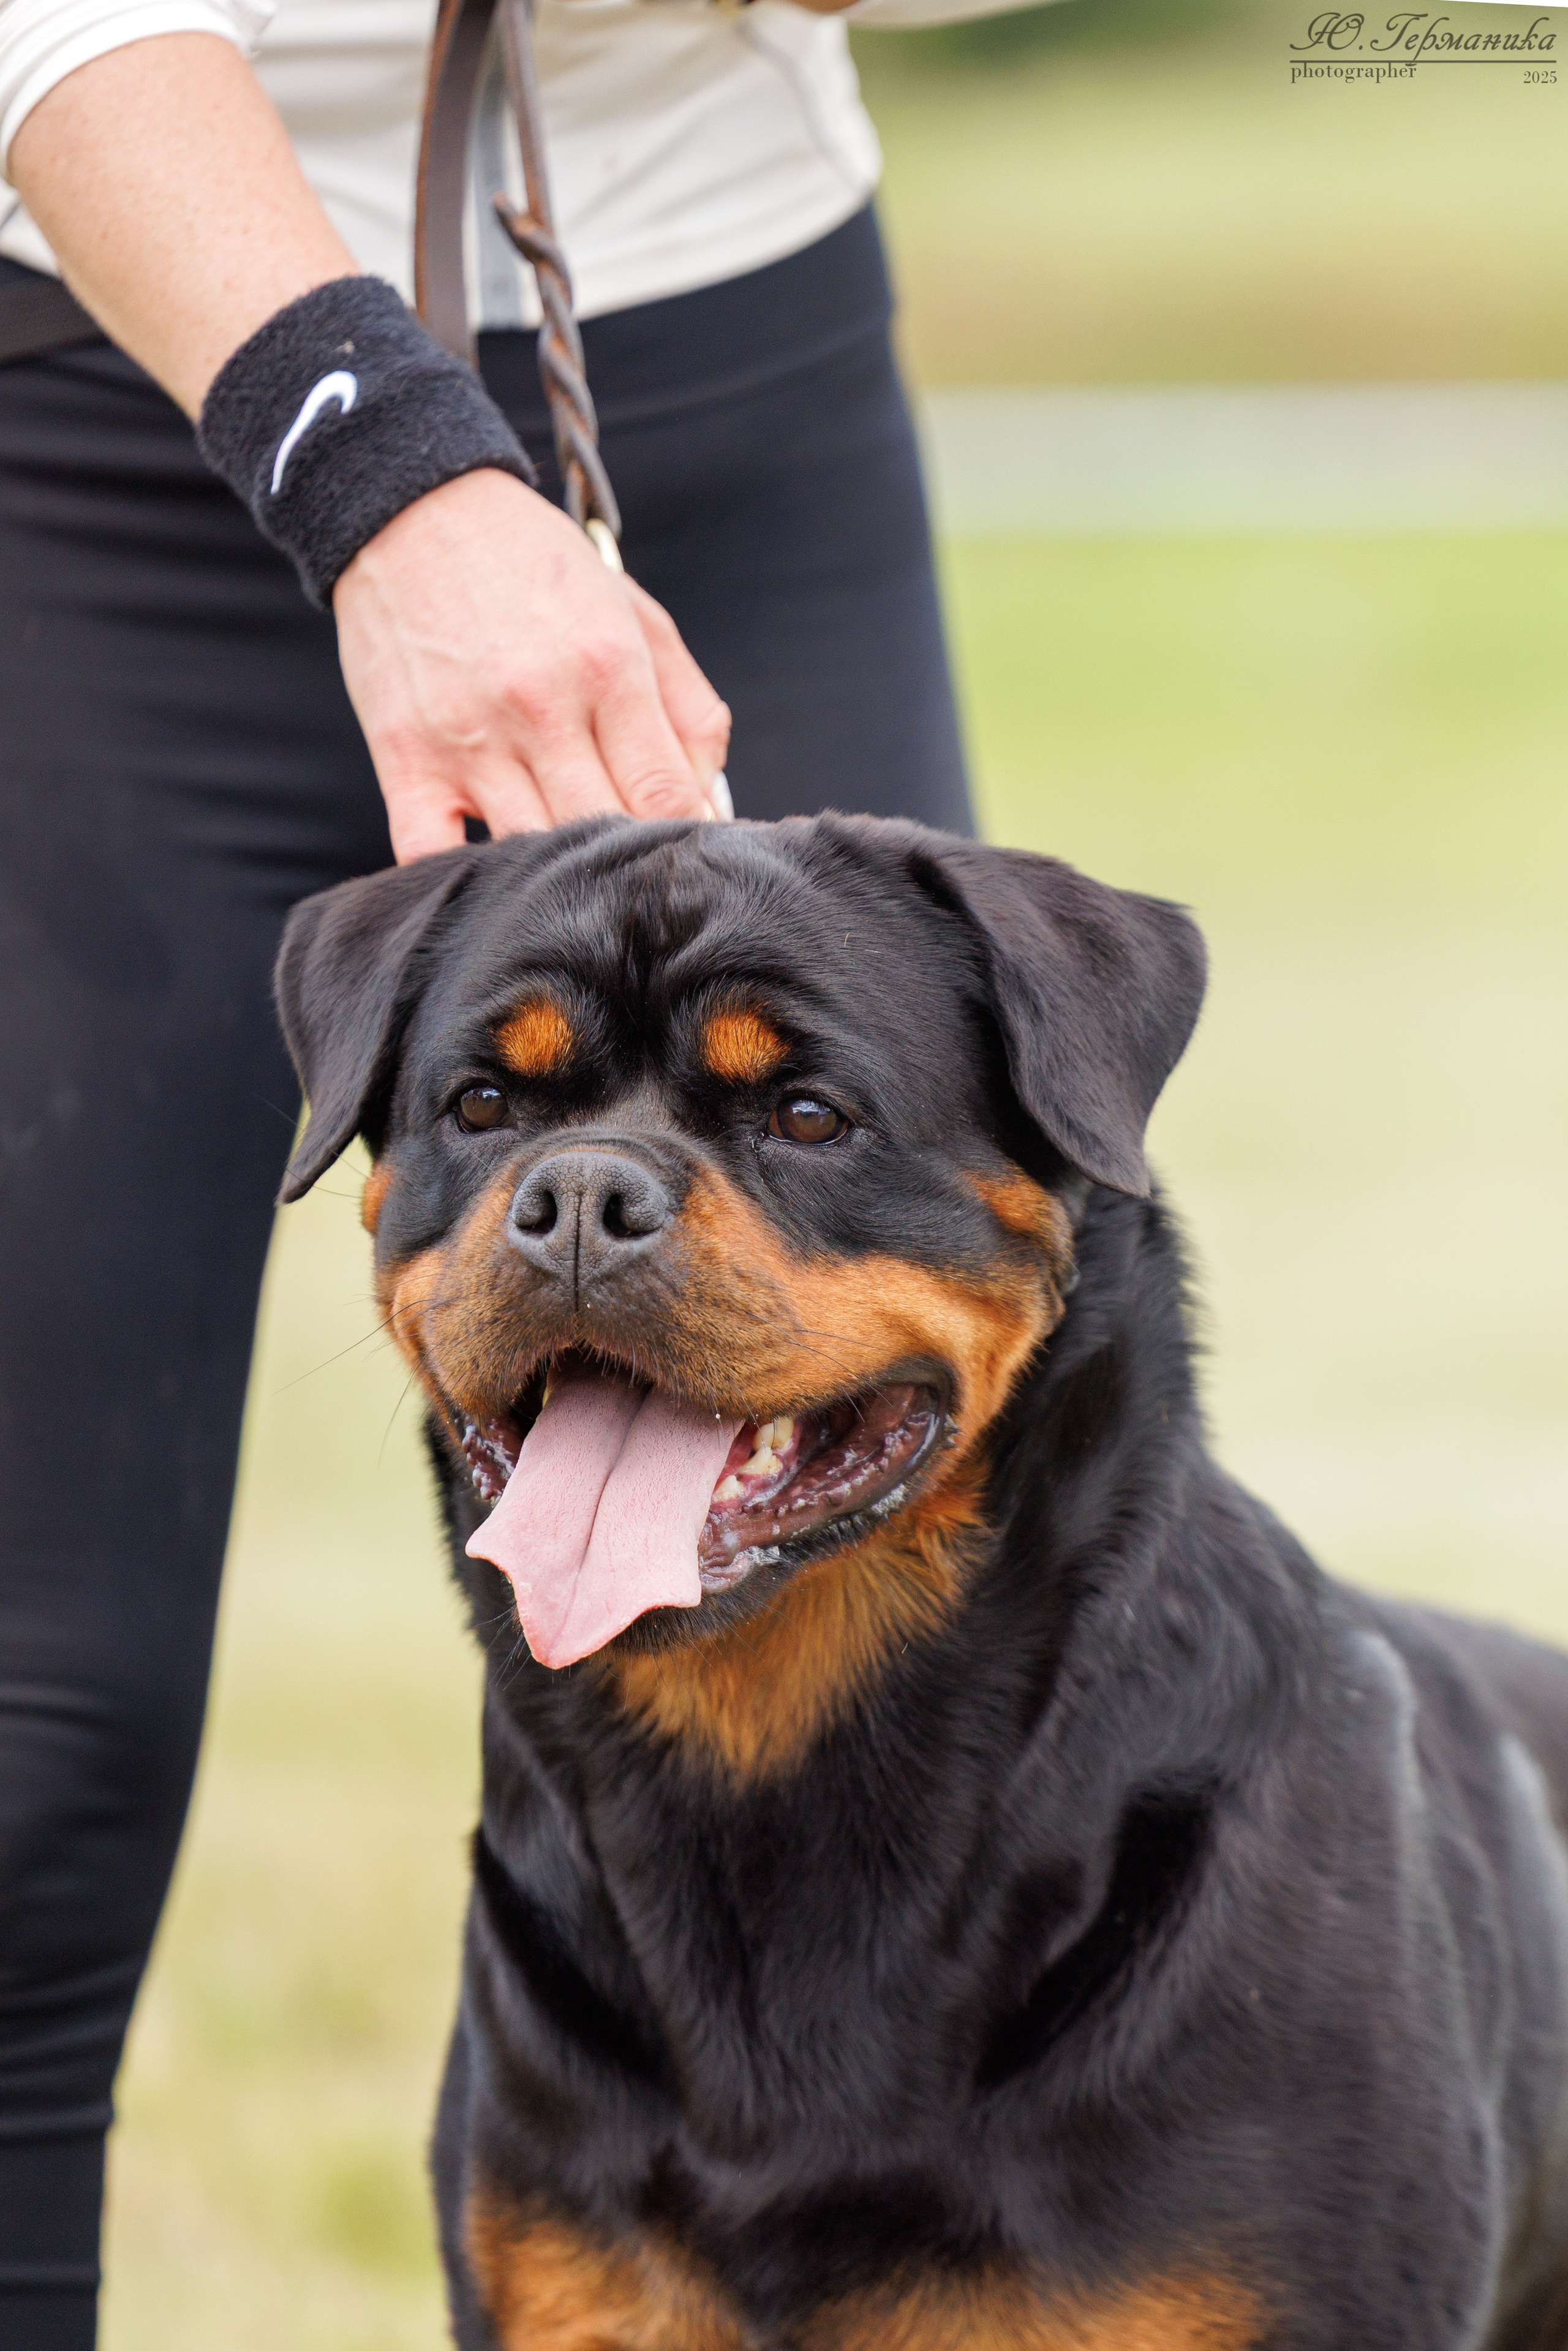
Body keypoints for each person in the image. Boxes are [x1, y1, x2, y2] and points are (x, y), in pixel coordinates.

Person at [0, 0, 1052, 2337]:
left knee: (953, 1666)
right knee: (27, 1739)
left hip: (712, 305)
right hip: (79, 357)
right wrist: (376, 465)